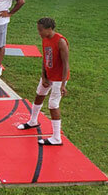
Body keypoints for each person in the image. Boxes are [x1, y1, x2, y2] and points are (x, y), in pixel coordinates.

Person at [17, 17, 70, 146]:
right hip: (48, 75)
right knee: (39, 95)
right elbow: (45, 58)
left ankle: (57, 138)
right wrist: (44, 76)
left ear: (49, 29)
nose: (39, 33)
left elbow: (66, 64)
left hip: (58, 78)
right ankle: (33, 121)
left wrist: (63, 84)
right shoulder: (45, 38)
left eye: (41, 30)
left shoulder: (60, 41)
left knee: (53, 104)